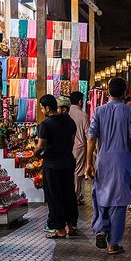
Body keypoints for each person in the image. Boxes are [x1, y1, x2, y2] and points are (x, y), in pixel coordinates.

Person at [86, 78, 131, 254]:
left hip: (102, 159)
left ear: (108, 92)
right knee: (118, 201)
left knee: (101, 194)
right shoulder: (128, 112)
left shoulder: (98, 111)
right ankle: (113, 244)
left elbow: (91, 138)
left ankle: (102, 227)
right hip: (122, 160)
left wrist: (89, 162)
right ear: (125, 93)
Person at [35, 95, 78, 239]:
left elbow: (41, 145)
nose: (41, 111)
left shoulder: (46, 124)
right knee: (68, 194)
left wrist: (34, 154)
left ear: (48, 108)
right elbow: (72, 143)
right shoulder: (69, 121)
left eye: (41, 108)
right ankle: (70, 226)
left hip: (52, 164)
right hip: (67, 162)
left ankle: (59, 228)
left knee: (54, 196)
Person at [68, 92, 90, 205]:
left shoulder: (66, 113)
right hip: (79, 147)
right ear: (80, 101)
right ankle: (75, 196)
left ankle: (71, 195)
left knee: (69, 171)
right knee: (78, 172)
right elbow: (88, 135)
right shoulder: (83, 115)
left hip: (66, 147)